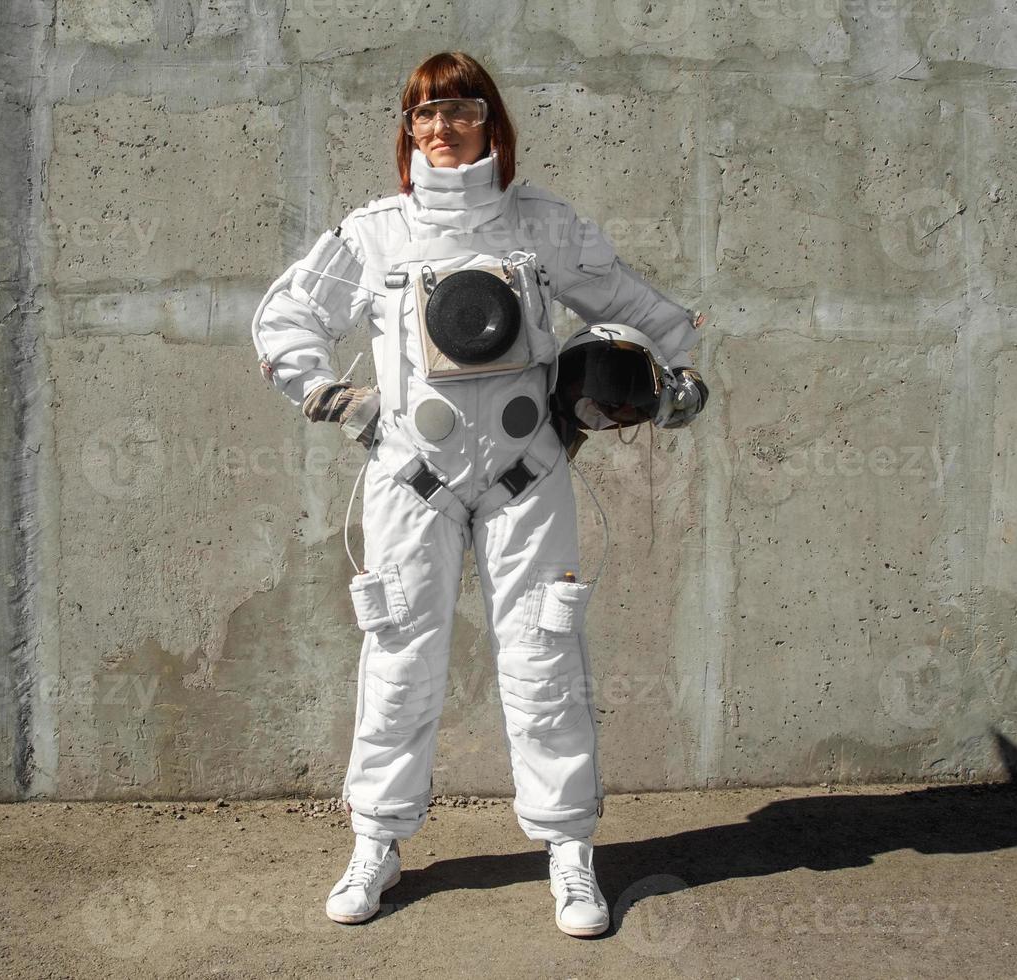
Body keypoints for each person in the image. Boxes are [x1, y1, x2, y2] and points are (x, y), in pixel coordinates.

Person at [250, 51, 705, 938]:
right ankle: (376, 840)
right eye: (425, 113)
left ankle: (570, 851)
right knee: (397, 664)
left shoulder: (542, 224)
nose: (443, 127)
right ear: (407, 130)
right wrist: (335, 399)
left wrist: (680, 379)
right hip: (407, 477)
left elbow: (644, 308)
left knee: (544, 667)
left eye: (460, 109)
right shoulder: (374, 233)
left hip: (527, 474)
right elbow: (286, 320)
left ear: (491, 121)